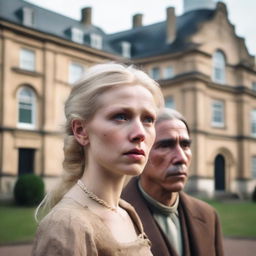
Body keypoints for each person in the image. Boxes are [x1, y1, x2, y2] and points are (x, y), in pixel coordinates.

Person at [32, 62, 164, 256]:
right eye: (121, 116)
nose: (140, 133)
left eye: (148, 119)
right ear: (81, 130)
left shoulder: (125, 212)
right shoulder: (66, 226)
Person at [122, 108, 224, 256]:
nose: (181, 157)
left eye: (185, 145)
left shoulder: (208, 215)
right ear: (140, 152)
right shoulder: (112, 217)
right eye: (165, 145)